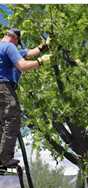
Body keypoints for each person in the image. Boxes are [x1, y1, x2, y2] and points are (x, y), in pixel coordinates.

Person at [0, 28, 51, 169]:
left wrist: (43, 47)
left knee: (2, 123)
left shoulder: (3, 47)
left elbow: (28, 53)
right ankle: (4, 158)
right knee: (12, 119)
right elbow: (22, 65)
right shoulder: (9, 47)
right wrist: (40, 62)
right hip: (3, 87)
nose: (17, 47)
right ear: (15, 39)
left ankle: (1, 156)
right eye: (17, 44)